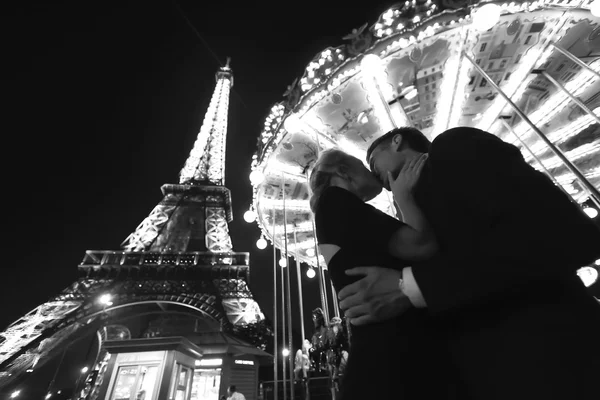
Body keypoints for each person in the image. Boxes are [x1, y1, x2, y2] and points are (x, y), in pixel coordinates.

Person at [337, 126, 600, 400]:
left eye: (373, 161)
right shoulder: (412, 206)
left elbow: (562, 233)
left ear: (396, 141)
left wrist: (414, 286)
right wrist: (404, 201)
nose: (377, 177)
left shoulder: (451, 147)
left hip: (550, 357)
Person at [309, 148, 462, 399]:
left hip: (381, 349)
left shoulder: (333, 209)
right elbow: (423, 246)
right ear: (344, 171)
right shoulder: (336, 199)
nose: (371, 172)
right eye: (362, 164)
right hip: (397, 350)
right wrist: (404, 195)